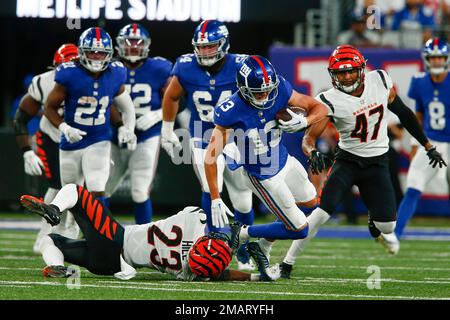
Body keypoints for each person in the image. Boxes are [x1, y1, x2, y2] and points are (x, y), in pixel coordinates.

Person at [279, 45, 446, 279]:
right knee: (322, 212)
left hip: (378, 162)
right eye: (341, 72)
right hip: (348, 161)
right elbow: (309, 138)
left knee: (387, 227)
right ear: (332, 75)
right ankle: (287, 263)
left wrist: (427, 146)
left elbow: (405, 113)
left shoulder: (380, 80)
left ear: (362, 69)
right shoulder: (328, 100)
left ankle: (374, 219)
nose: (346, 77)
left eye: (351, 71)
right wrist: (312, 152)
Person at [204, 55, 329, 261]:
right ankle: (244, 232)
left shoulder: (279, 89)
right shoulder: (232, 111)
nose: (265, 95)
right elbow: (211, 156)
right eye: (258, 92)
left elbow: (320, 108)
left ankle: (262, 244)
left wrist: (305, 121)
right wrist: (215, 197)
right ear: (243, 88)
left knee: (311, 201)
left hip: (284, 161)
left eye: (267, 90)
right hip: (262, 175)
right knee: (300, 229)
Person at [19, 184, 279, 282]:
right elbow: (219, 273)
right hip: (107, 266)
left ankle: (54, 209)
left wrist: (237, 237)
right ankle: (59, 268)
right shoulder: (189, 272)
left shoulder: (194, 218)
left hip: (116, 240)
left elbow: (225, 230)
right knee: (50, 240)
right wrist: (255, 277)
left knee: (76, 191)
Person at [161, 20, 256, 270]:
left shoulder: (240, 65)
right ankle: (214, 248)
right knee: (210, 186)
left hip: (235, 135)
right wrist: (167, 129)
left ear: (224, 44)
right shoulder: (185, 66)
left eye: (210, 47)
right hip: (203, 134)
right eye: (201, 48)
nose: (205, 53)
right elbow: (171, 96)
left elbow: (258, 96)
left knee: (243, 199)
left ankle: (244, 252)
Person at [44, 27, 136, 208]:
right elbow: (49, 108)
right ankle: (71, 230)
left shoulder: (116, 72)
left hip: (99, 138)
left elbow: (127, 106)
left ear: (109, 54)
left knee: (97, 185)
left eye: (101, 53)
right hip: (71, 139)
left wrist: (127, 127)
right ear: (81, 53)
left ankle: (100, 234)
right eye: (91, 52)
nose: (96, 57)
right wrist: (65, 128)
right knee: (71, 190)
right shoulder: (69, 73)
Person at [14, 43, 79, 253]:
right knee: (58, 184)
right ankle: (47, 231)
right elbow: (21, 117)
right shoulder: (44, 82)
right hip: (52, 137)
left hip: (85, 139)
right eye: (64, 66)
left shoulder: (94, 79)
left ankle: (73, 227)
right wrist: (26, 151)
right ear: (55, 67)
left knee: (84, 186)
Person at [105, 24, 172, 224]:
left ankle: (144, 240)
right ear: (119, 45)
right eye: (128, 43)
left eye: (138, 43)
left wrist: (158, 114)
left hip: (146, 135)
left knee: (140, 190)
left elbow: (177, 99)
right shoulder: (111, 68)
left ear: (147, 45)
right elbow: (104, 100)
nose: (133, 47)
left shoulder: (160, 67)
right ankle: (95, 235)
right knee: (102, 186)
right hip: (114, 135)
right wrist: (120, 126)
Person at [395, 38, 450, 241]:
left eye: (440, 58)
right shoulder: (419, 81)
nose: (436, 62)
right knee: (413, 184)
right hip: (432, 142)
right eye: (433, 58)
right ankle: (395, 235)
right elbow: (417, 115)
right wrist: (415, 143)